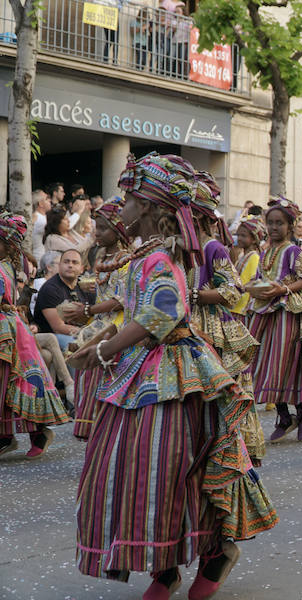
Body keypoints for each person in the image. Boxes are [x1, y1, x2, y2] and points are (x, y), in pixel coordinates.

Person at [74, 152, 277, 599]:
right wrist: (96, 339)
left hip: (173, 371)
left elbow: (161, 314)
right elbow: (132, 307)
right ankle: (162, 567)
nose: (119, 205)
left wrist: (104, 350)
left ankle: (214, 552)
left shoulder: (167, 256)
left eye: (127, 198)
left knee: (171, 469)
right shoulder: (145, 253)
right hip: (140, 369)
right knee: (130, 468)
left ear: (147, 206)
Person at [189, 182, 267, 466]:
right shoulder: (181, 248)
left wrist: (193, 295)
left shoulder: (213, 249)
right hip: (186, 325)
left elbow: (232, 290)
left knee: (221, 395)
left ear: (195, 217)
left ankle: (230, 457)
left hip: (213, 329)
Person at [247, 196, 302, 443]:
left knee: (287, 366)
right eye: (270, 223)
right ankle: (284, 416)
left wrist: (282, 290)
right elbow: (258, 278)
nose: (274, 228)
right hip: (264, 313)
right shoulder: (264, 253)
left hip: (287, 314)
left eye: (280, 223)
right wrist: (252, 287)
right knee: (265, 366)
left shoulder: (293, 250)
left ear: (290, 225)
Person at [0, 213, 70, 459]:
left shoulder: (3, 267)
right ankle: (7, 435)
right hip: (9, 327)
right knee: (10, 382)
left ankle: (36, 432)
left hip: (7, 331)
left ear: (6, 243)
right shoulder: (8, 263)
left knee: (16, 380)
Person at [63, 198, 131, 441]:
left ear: (118, 229)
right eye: (96, 227)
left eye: (103, 228)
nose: (97, 232)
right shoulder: (101, 254)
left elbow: (121, 299)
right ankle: (93, 433)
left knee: (105, 374)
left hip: (117, 325)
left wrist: (88, 310)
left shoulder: (127, 259)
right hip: (99, 320)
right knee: (86, 371)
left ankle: (106, 432)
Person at [33, 248, 94, 352]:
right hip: (53, 336)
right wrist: (88, 333)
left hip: (79, 331)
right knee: (75, 345)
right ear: (60, 265)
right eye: (66, 262)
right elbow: (58, 327)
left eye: (75, 263)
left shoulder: (85, 286)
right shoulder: (50, 289)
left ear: (82, 269)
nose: (70, 265)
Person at [32, 189, 51, 264]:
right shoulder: (37, 218)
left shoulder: (43, 217)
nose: (50, 200)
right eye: (47, 199)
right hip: (38, 258)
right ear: (40, 204)